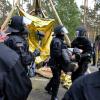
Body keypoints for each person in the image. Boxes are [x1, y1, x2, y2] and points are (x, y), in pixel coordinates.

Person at [45, 25, 76, 100]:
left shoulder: (59, 40)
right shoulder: (57, 41)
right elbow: (57, 54)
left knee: (56, 77)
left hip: (57, 63)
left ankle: (48, 87)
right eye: (63, 31)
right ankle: (54, 97)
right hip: (55, 63)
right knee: (57, 80)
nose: (64, 32)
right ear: (60, 32)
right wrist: (65, 57)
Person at [0, 33, 32, 100]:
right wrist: (34, 54)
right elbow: (25, 60)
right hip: (15, 70)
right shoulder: (18, 41)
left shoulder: (8, 38)